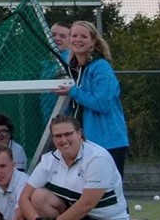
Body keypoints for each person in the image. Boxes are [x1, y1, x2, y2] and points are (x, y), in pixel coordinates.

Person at [18, 115, 131, 220]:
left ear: (79, 133)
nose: (63, 140)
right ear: (53, 138)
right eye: (58, 136)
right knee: (38, 196)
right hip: (72, 218)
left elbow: (86, 205)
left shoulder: (98, 158)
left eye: (68, 134)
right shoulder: (48, 160)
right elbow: (24, 197)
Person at [54, 20, 129, 177]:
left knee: (109, 193)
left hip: (108, 143)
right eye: (74, 35)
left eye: (83, 36)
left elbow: (102, 103)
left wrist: (74, 92)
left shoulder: (101, 67)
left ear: (92, 42)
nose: (78, 40)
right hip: (86, 143)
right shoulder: (77, 70)